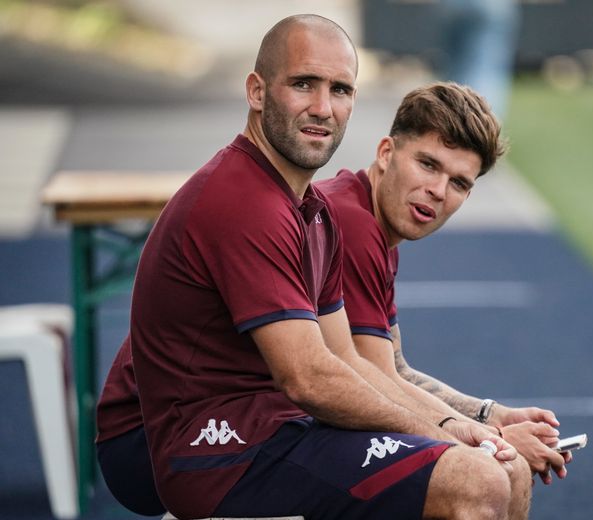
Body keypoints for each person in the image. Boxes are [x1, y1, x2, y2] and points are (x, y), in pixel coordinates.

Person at [97, 14, 531, 520]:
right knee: (475, 479)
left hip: (272, 425)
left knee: (503, 468)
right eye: (304, 84)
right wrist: (441, 433)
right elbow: (310, 378)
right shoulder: (244, 200)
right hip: (210, 452)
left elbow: (351, 360)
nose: (323, 108)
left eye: (341, 90)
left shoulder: (314, 214)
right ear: (257, 92)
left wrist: (462, 426)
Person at [316, 81, 569, 487]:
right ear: (386, 154)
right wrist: (496, 439)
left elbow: (394, 369)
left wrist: (490, 415)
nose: (437, 191)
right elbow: (378, 385)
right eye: (428, 165)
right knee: (494, 474)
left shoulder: (372, 223)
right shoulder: (352, 223)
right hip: (244, 436)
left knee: (500, 469)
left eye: (459, 183)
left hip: (280, 421)